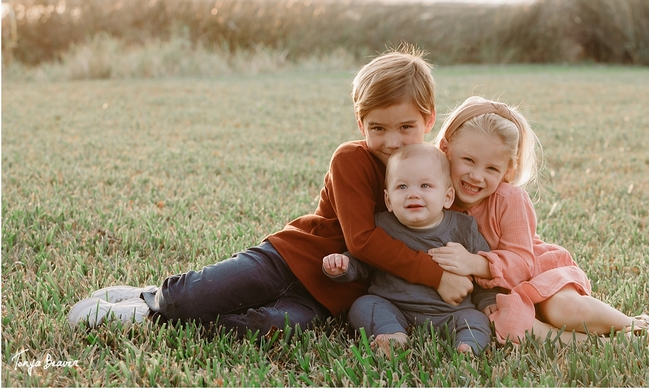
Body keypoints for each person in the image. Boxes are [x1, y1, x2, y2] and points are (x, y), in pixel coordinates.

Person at [67, 45, 475, 337]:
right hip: (289, 258)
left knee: (271, 327)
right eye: (378, 128)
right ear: (361, 124)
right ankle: (149, 301)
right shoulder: (351, 159)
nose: (392, 141)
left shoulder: (436, 171)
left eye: (406, 127)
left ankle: (162, 315)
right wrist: (435, 275)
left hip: (332, 295)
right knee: (191, 299)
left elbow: (469, 221)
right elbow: (363, 241)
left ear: (428, 119)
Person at [427, 96, 649, 346]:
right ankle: (615, 343)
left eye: (491, 168)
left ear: (507, 171)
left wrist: (473, 262)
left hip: (539, 273)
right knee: (508, 327)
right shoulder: (432, 197)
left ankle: (636, 324)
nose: (476, 176)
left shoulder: (509, 199)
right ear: (445, 148)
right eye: (468, 160)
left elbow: (522, 264)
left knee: (563, 310)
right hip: (500, 297)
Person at [323, 143, 498, 356]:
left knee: (477, 319)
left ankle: (467, 346)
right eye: (402, 187)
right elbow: (365, 261)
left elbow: (483, 275)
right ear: (388, 200)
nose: (413, 194)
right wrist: (344, 267)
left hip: (451, 313)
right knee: (364, 305)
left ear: (448, 197)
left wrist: (488, 300)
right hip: (395, 307)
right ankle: (392, 335)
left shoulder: (464, 228)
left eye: (425, 186)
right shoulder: (382, 225)